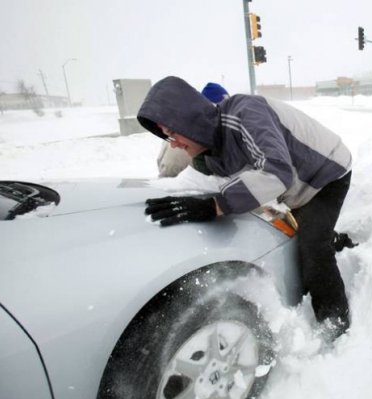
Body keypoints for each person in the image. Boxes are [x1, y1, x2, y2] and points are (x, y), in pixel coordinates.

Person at [137, 76, 354, 340]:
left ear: (187, 119)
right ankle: (332, 238)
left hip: (326, 171)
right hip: (294, 186)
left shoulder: (245, 113)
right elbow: (202, 183)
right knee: (299, 228)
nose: (172, 143)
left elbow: (277, 173)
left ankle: (335, 326)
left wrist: (216, 205)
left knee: (312, 247)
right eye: (166, 136)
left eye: (172, 133)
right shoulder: (209, 153)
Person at [155, 82, 230, 177]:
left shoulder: (175, 129)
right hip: (193, 186)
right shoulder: (207, 137)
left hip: (166, 184)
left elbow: (161, 161)